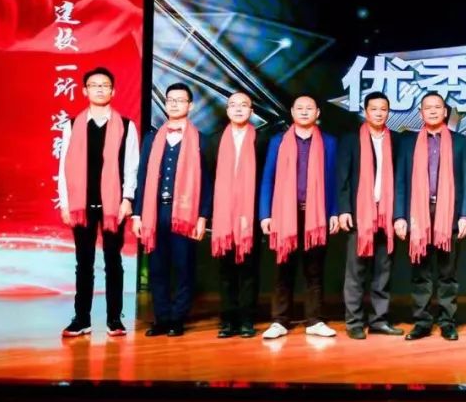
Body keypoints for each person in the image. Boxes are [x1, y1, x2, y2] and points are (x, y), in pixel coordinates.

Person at [58, 67, 140, 337]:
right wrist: (65, 203)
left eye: (105, 85)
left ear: (113, 91)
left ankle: (114, 319)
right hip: (81, 205)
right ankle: (81, 319)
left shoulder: (126, 125)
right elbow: (64, 167)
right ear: (85, 91)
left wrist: (127, 199)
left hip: (113, 205)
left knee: (113, 262)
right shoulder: (72, 125)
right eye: (94, 85)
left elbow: (131, 166)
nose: (100, 89)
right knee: (84, 263)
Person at [132, 82, 212, 337]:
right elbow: (142, 177)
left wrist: (203, 216)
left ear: (190, 105)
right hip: (154, 212)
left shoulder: (201, 140)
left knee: (183, 267)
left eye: (180, 100)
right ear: (165, 104)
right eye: (170, 100)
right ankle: (162, 317)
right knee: (157, 268)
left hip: (185, 214)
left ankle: (178, 318)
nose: (175, 104)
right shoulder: (152, 138)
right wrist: (137, 214)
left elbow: (207, 182)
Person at [394, 92, 466, 341]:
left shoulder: (460, 142)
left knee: (448, 274)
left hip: (449, 214)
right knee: (421, 273)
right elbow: (400, 181)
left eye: (437, 107)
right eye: (427, 107)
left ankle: (447, 322)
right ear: (420, 113)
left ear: (445, 112)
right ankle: (422, 322)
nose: (432, 111)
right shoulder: (408, 143)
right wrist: (399, 216)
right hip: (418, 214)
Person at [259, 95, 339, 339]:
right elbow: (267, 179)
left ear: (317, 113)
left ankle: (315, 320)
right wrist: (265, 214)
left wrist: (334, 212)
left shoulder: (329, 142)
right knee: (283, 269)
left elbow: (334, 181)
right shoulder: (278, 141)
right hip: (285, 215)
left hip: (316, 215)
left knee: (314, 270)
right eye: (300, 108)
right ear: (292, 112)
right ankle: (280, 321)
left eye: (309, 108)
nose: (304, 112)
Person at [337, 91, 405, 339]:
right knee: (356, 272)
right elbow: (342, 178)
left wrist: (398, 215)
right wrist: (344, 210)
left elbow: (401, 179)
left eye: (383, 109)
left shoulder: (396, 140)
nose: (378, 113)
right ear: (365, 111)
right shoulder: (350, 139)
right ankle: (354, 322)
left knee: (383, 271)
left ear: (388, 112)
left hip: (386, 214)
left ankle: (379, 320)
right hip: (359, 214)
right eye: (374, 109)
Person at [210, 91, 266, 338]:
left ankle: (246, 320)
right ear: (227, 110)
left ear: (251, 111)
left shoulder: (261, 140)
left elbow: (266, 179)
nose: (239, 109)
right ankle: (228, 320)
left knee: (249, 270)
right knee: (226, 271)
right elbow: (209, 178)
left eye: (244, 105)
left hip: (250, 214)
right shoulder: (214, 141)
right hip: (223, 215)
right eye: (234, 105)